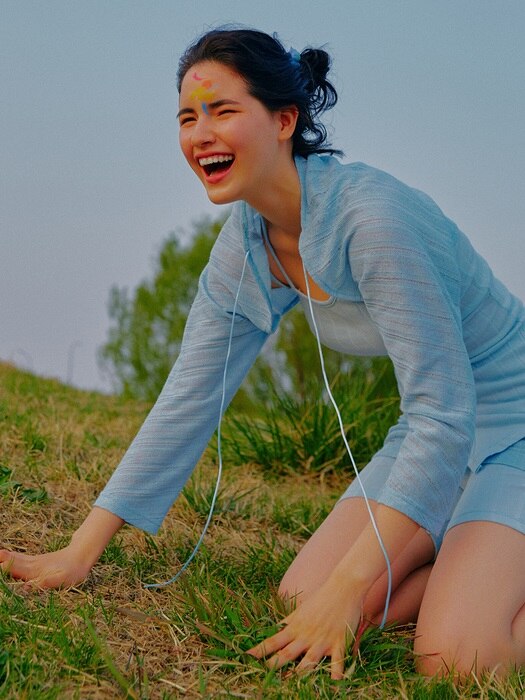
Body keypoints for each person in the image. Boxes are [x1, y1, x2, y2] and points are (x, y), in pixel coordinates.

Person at [1, 27, 525, 680]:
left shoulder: (374, 222)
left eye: (222, 111)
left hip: (507, 429)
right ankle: (468, 567)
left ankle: (476, 576)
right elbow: (190, 395)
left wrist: (351, 586)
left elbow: (442, 415)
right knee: (300, 598)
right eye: (188, 118)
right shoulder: (249, 242)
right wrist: (80, 551)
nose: (200, 134)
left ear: (283, 120)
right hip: (440, 440)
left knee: (456, 659)